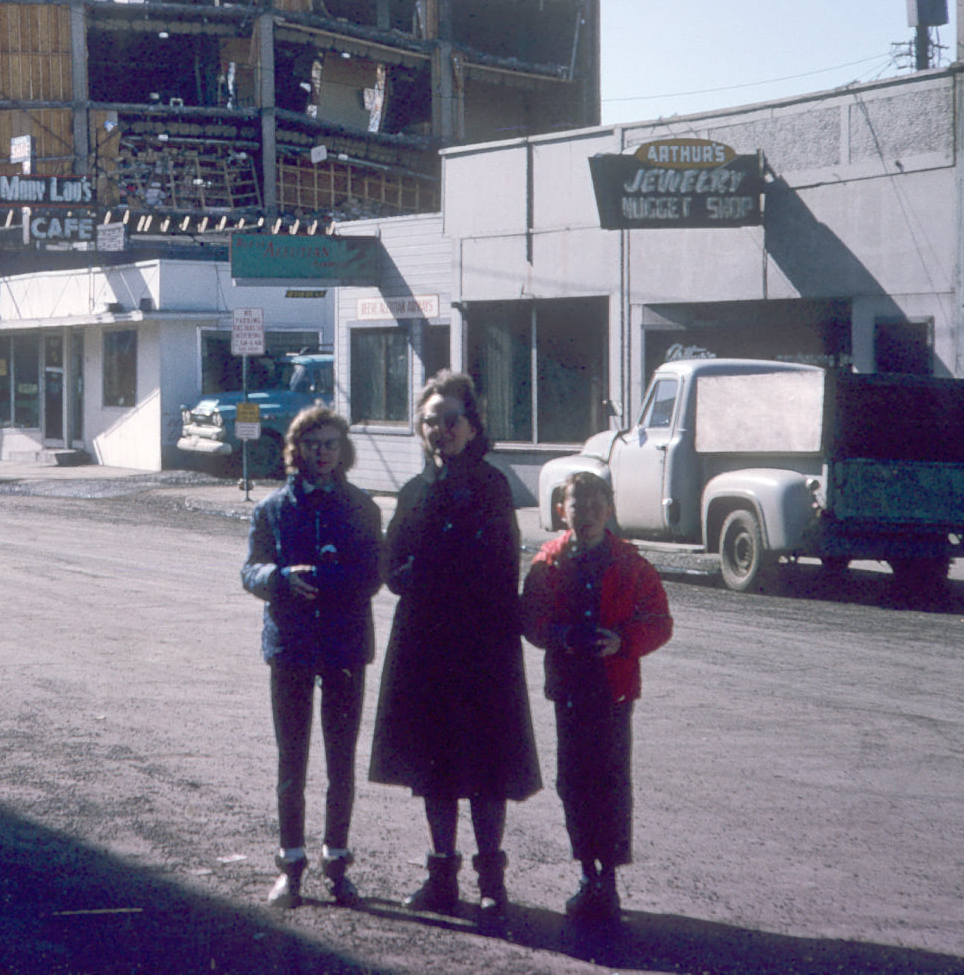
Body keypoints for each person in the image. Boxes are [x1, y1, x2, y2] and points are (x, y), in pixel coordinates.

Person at [369, 370, 541, 923]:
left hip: (481, 644)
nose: (439, 430)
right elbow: (390, 564)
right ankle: (441, 875)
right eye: (430, 422)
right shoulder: (414, 490)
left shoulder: (491, 486)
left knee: (486, 767)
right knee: (434, 765)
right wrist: (406, 573)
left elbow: (496, 563)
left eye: (450, 421)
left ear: (471, 426)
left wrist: (434, 571)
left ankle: (493, 880)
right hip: (424, 644)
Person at [240, 404, 383, 909]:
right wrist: (278, 579)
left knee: (341, 759)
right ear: (295, 449)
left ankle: (338, 862)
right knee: (292, 759)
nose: (322, 453)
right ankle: (291, 864)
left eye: (331, 444)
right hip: (291, 645)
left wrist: (326, 581)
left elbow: (372, 574)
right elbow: (251, 567)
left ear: (343, 450)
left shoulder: (363, 507)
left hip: (344, 644)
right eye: (312, 443)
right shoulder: (272, 508)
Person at [522, 470, 673, 927]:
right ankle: (586, 872)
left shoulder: (631, 564)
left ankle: (608, 879)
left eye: (595, 505)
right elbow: (530, 619)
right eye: (576, 504)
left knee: (610, 782)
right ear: (560, 510)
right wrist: (563, 635)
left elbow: (660, 621)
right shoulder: (546, 563)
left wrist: (623, 641)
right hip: (569, 688)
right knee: (572, 781)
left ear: (609, 509)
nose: (585, 514)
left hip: (613, 689)